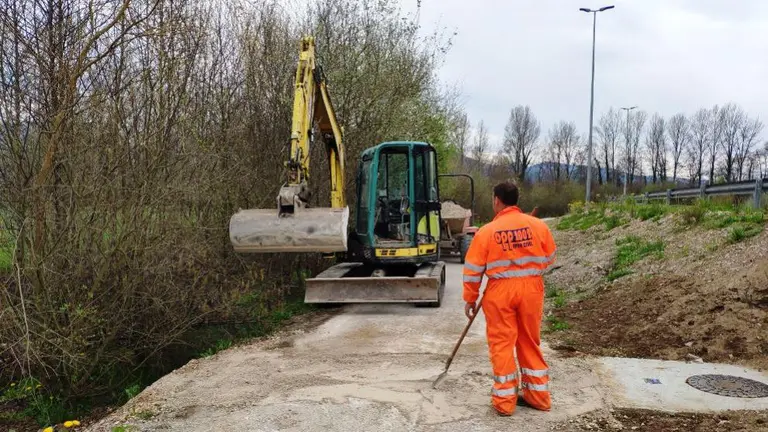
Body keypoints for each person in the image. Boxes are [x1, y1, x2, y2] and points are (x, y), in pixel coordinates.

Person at [462, 181, 557, 417]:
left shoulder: (487, 232)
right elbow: (550, 256)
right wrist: (529, 269)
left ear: (497, 200)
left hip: (500, 292)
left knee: (502, 343)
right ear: (516, 200)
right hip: (531, 289)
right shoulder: (537, 226)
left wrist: (471, 298)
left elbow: (473, 269)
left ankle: (504, 402)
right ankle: (538, 397)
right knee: (529, 341)